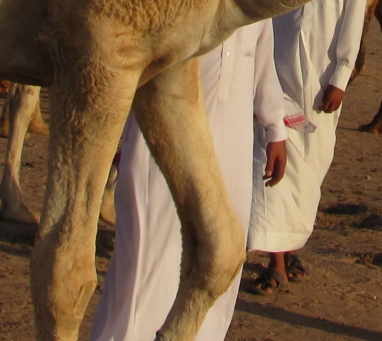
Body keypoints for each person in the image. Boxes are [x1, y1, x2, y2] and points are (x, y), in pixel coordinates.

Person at [89, 20, 288, 341]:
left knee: (221, 252)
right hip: (162, 139)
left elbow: (262, 57)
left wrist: (275, 127)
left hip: (232, 143)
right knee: (145, 258)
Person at [245, 0, 374, 293]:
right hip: (276, 58)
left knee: (310, 167)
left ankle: (289, 249)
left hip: (321, 74)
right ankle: (275, 262)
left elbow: (355, 10)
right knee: (273, 152)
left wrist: (342, 74)